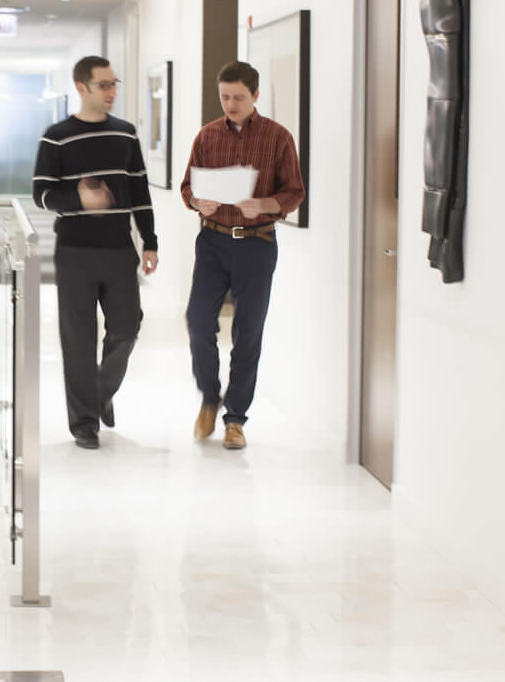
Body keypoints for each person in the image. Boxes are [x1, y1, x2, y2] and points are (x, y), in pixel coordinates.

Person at [33, 55, 159, 450]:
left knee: (127, 327)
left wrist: (150, 241)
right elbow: (41, 194)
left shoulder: (125, 134)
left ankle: (100, 391)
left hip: (119, 249)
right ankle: (84, 423)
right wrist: (78, 200)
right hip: (74, 251)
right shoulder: (56, 137)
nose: (111, 91)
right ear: (81, 87)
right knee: (78, 340)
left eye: (113, 84)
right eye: (103, 85)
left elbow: (139, 191)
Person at [181, 61, 305, 450]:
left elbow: (294, 192)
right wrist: (197, 202)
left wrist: (265, 204)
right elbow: (187, 187)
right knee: (198, 320)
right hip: (212, 241)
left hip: (257, 244)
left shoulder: (278, 137)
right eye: (224, 97)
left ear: (255, 95)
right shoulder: (207, 136)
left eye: (238, 97)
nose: (230, 105)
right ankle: (209, 397)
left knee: (248, 332)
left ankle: (235, 419)